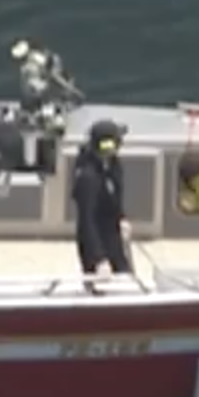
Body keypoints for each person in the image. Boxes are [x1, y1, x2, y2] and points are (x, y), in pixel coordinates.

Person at [70, 119, 132, 287]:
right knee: (103, 287)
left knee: (126, 282)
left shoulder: (114, 166)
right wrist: (99, 259)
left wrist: (122, 217)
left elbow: (115, 196)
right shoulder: (87, 177)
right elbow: (86, 222)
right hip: (96, 239)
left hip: (114, 235)